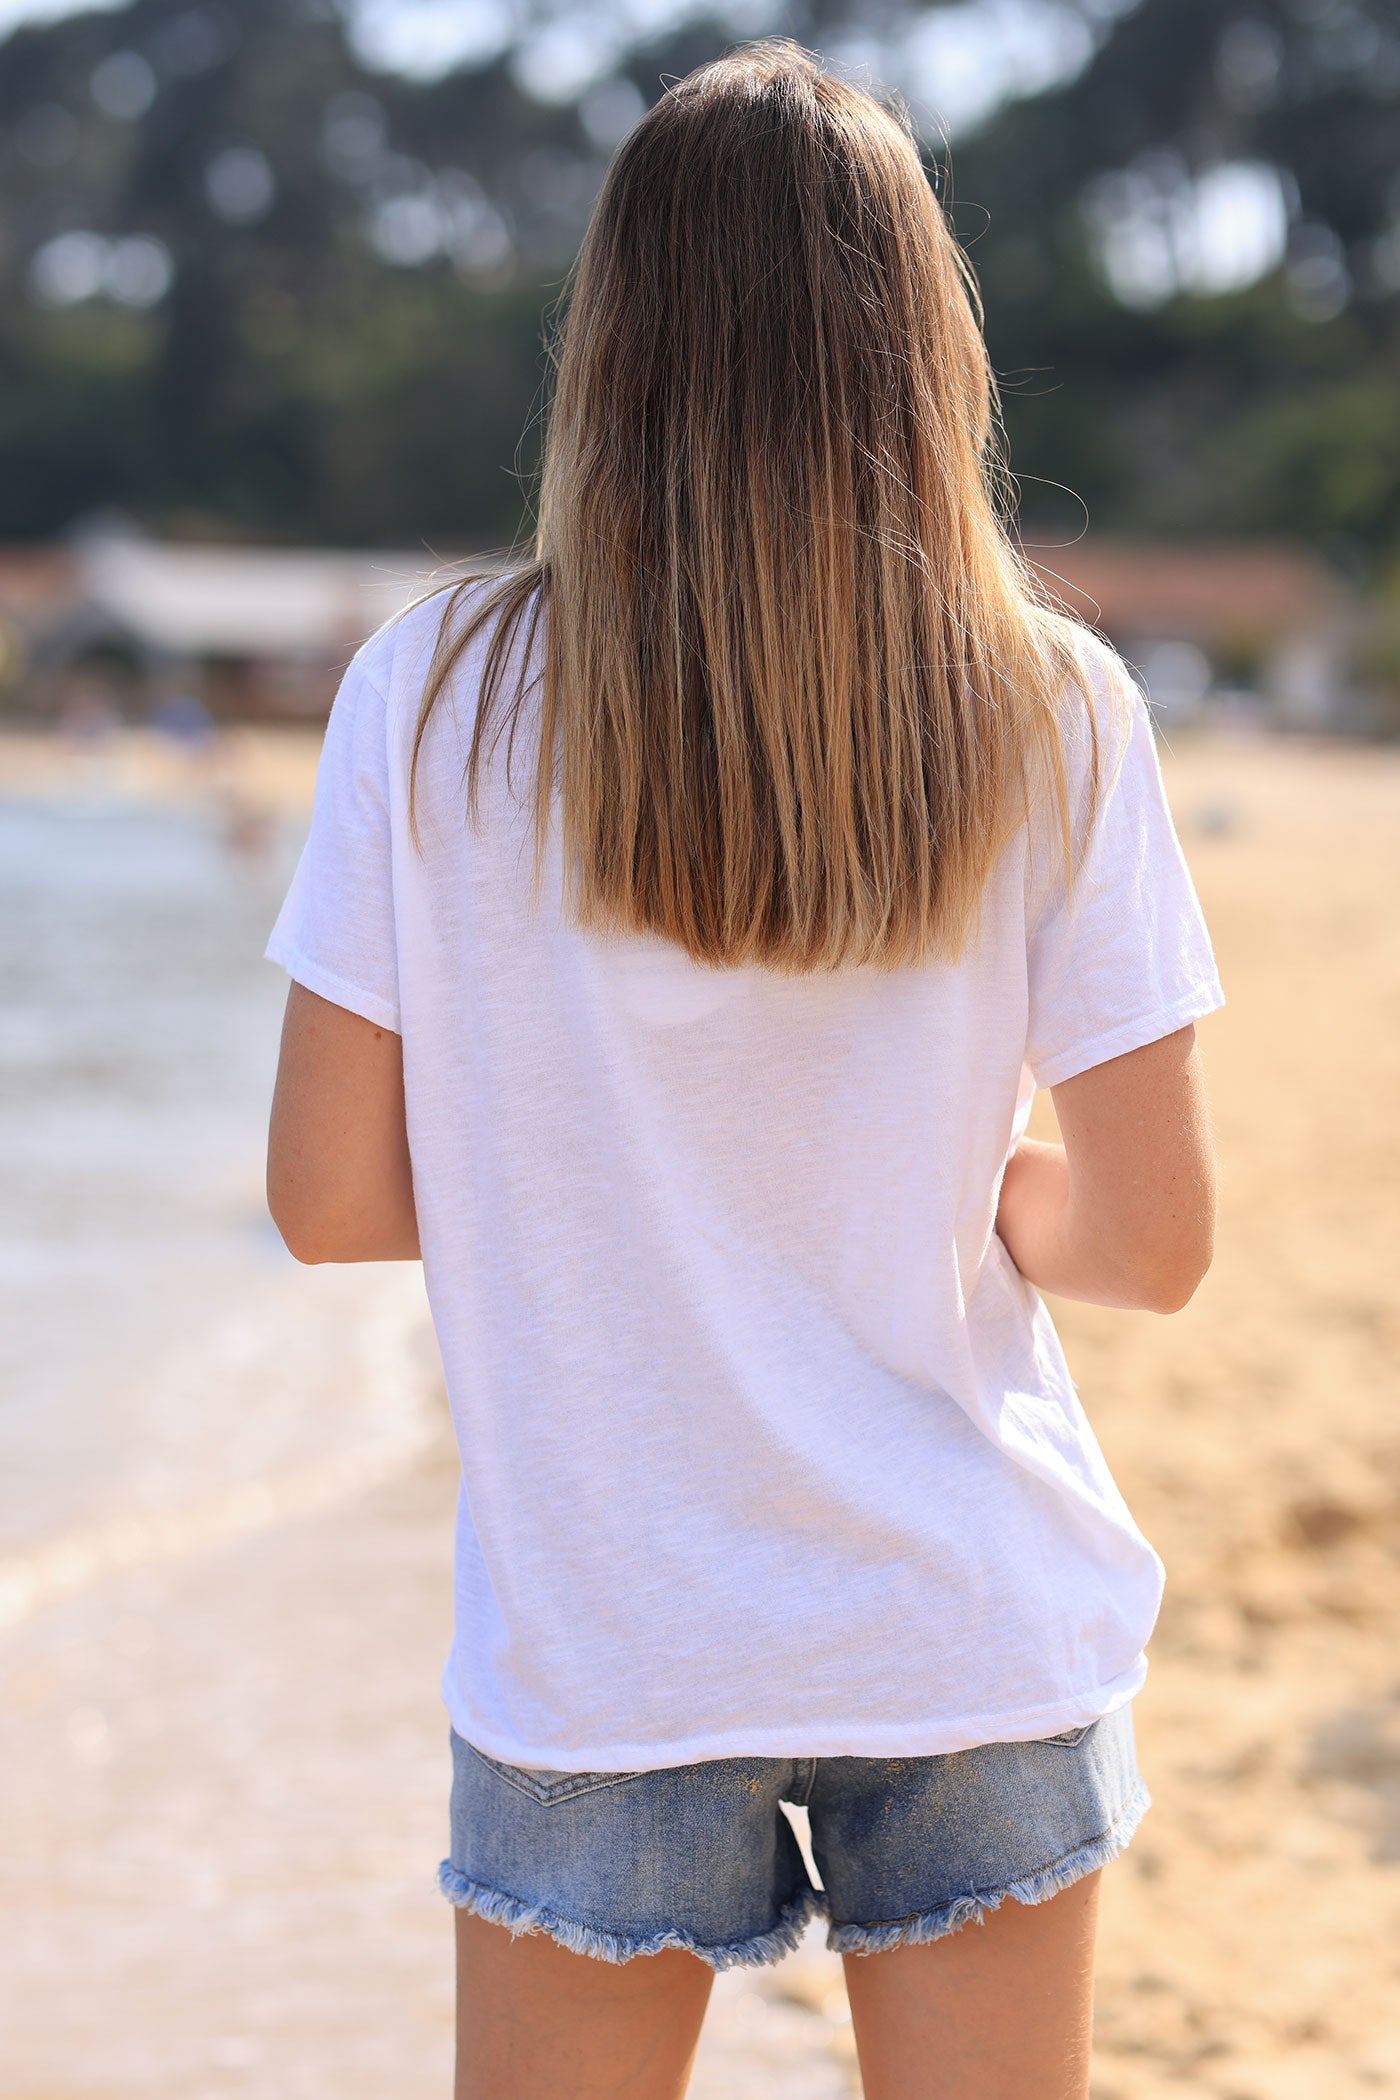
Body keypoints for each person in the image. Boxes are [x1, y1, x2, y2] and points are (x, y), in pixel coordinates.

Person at [264, 41, 1223, 2100]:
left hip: (612, 1642)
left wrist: (578, 1183)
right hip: (963, 1624)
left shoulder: (428, 695)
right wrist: (951, 1186)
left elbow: (329, 1201)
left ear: (609, 346)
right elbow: (1148, 1244)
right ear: (922, 345)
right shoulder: (1051, 706)